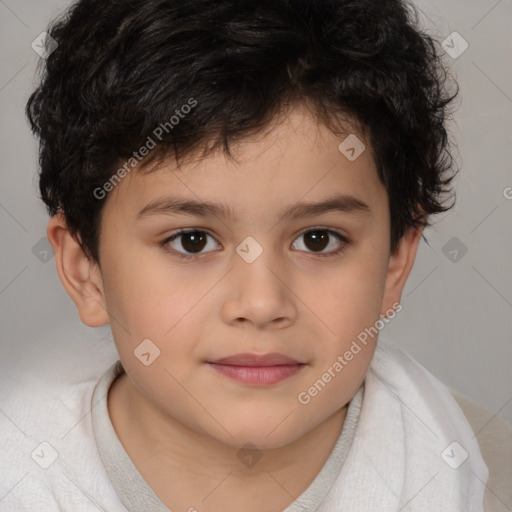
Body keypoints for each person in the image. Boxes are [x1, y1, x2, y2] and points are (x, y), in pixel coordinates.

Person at [2, 0, 490, 510]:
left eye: (318, 239)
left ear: (395, 263)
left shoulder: (465, 470)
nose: (260, 304)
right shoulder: (21, 476)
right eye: (191, 241)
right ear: (87, 274)